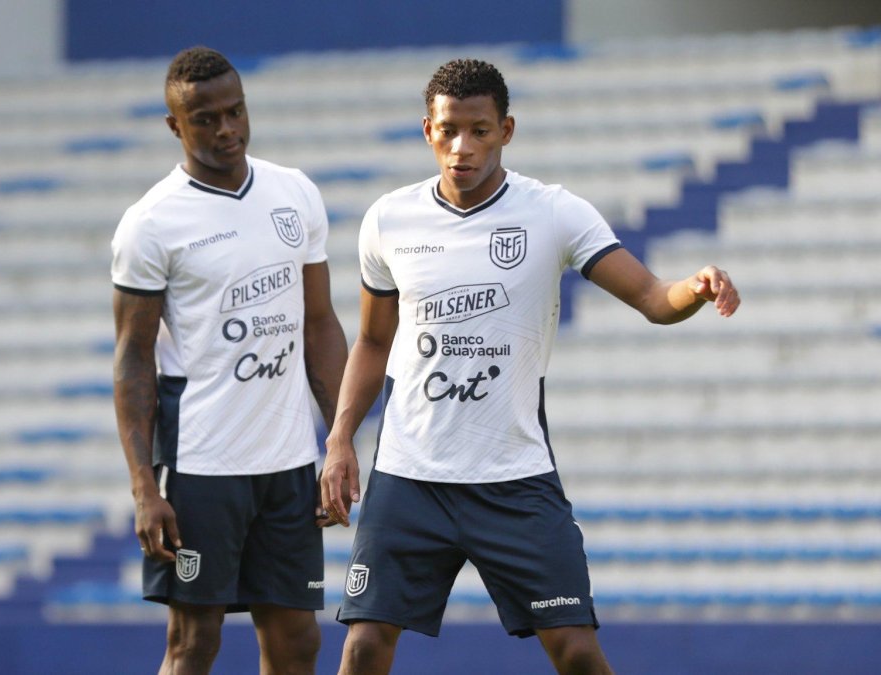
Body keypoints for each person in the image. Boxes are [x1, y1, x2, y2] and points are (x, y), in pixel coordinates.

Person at [319, 58, 740, 675]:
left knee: (576, 651)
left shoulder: (553, 212)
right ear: (428, 130)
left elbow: (653, 298)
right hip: (409, 478)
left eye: (480, 131)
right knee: (363, 646)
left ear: (507, 131)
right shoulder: (389, 219)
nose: (462, 147)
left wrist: (693, 289)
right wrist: (340, 439)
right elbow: (373, 340)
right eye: (448, 130)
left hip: (513, 478)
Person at [111, 46, 348, 675]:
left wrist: (340, 440)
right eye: (206, 119)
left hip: (289, 462)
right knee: (194, 643)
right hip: (203, 465)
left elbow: (320, 323)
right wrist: (143, 486)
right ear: (175, 126)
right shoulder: (151, 223)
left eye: (236, 112)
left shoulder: (294, 191)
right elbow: (133, 359)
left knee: (298, 641)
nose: (227, 129)